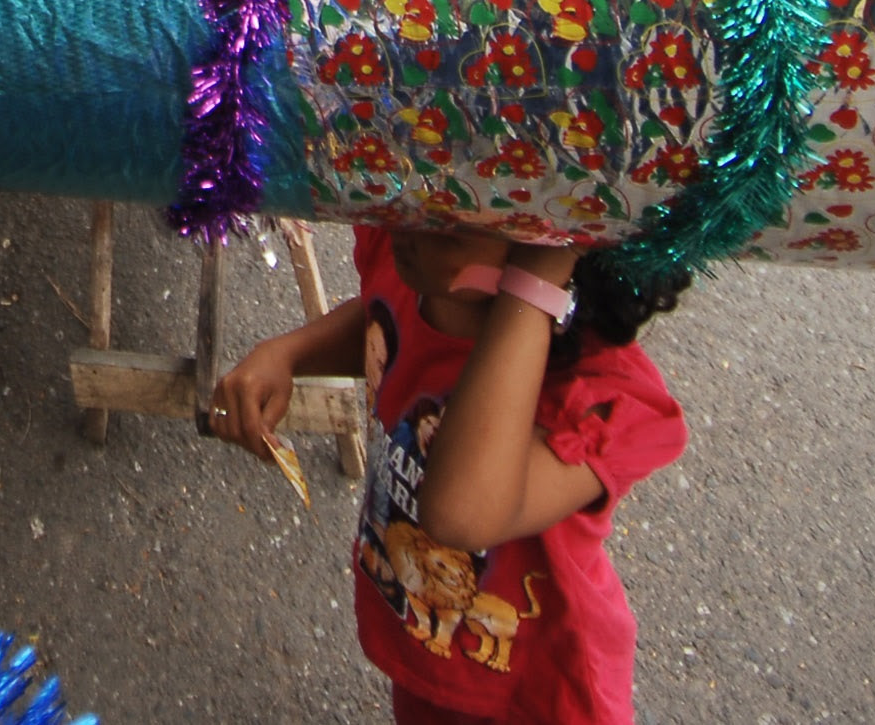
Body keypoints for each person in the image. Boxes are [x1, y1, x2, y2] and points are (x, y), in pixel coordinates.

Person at [213, 228, 690, 724]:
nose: (406, 219)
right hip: (427, 648)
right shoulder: (425, 270)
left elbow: (461, 514)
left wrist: (538, 280)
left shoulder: (596, 400)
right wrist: (291, 353)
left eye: (448, 227)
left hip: (537, 694)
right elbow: (385, 317)